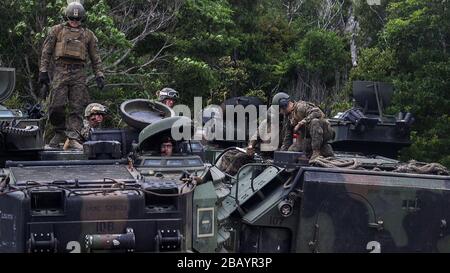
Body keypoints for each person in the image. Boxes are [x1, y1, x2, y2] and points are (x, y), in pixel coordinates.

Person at [39, 2, 105, 150]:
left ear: (81, 19)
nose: (74, 22)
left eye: (77, 19)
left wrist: (99, 74)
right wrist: (43, 71)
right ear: (67, 17)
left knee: (77, 107)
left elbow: (95, 57)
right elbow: (46, 52)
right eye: (71, 18)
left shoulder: (88, 35)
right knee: (56, 105)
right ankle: (59, 132)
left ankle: (73, 138)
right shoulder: (56, 30)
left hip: (79, 72)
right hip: (61, 71)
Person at [272, 92, 335, 161]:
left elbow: (318, 113)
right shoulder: (289, 118)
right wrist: (282, 154)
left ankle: (316, 152)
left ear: (284, 104)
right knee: (292, 150)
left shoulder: (300, 107)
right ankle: (325, 149)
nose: (280, 112)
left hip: (324, 132)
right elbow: (288, 137)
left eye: (280, 109)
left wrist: (301, 123)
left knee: (315, 122)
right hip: (310, 137)